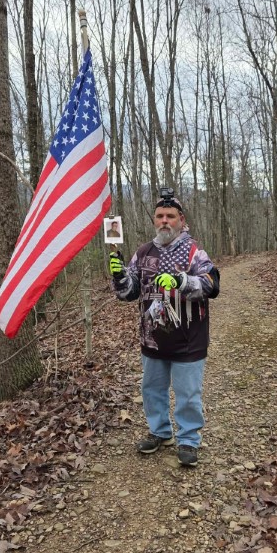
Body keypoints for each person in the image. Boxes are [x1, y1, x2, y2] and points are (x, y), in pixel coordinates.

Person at [109, 193, 219, 467]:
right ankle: (160, 432)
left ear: (181, 220)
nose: (165, 221)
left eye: (170, 216)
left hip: (189, 338)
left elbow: (211, 284)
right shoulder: (143, 252)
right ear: (154, 220)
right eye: (160, 216)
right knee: (152, 390)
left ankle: (189, 439)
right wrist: (120, 276)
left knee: (188, 394)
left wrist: (181, 281)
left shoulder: (195, 252)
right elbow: (129, 293)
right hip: (153, 338)